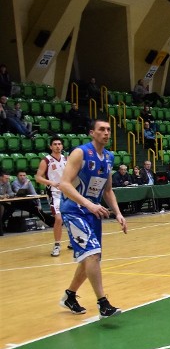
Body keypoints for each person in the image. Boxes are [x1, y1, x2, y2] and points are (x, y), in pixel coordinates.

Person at [58, 119, 126, 318]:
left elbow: (108, 190)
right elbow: (64, 184)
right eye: (101, 129)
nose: (106, 133)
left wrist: (118, 213)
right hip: (74, 210)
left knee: (90, 258)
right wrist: (88, 203)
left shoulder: (109, 157)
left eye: (108, 130)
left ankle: (69, 295)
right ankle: (103, 304)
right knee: (92, 254)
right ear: (92, 133)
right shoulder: (80, 153)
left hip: (93, 212)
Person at [35, 136, 68, 256]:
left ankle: (73, 241)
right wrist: (51, 183)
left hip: (68, 192)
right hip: (54, 194)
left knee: (71, 217)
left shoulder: (67, 159)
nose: (57, 146)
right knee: (58, 219)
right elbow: (37, 177)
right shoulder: (46, 160)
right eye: (55, 144)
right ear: (50, 146)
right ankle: (57, 245)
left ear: (62, 146)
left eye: (59, 144)